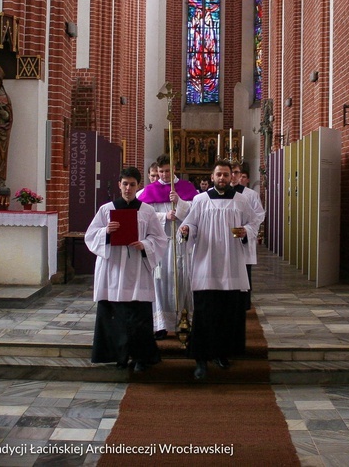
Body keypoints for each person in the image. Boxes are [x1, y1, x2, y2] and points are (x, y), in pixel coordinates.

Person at [84, 167, 168, 372]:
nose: (128, 188)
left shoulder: (147, 211)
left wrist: (145, 245)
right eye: (124, 184)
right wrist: (106, 231)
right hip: (113, 269)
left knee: (138, 317)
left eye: (132, 184)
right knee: (116, 317)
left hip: (137, 269)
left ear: (138, 186)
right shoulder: (106, 209)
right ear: (119, 184)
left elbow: (159, 239)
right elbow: (90, 236)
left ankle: (141, 358)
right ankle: (119, 356)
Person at [180, 160, 258, 379]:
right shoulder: (200, 200)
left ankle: (222, 354)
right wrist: (186, 230)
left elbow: (253, 224)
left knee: (227, 314)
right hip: (206, 263)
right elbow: (191, 225)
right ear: (212, 177)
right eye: (218, 175)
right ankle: (201, 359)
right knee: (204, 314)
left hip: (231, 264)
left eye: (225, 175)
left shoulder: (241, 201)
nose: (222, 178)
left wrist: (246, 232)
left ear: (230, 177)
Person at [138, 154, 199, 340]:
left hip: (180, 242)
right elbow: (144, 215)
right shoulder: (149, 191)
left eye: (167, 171)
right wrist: (165, 216)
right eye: (160, 171)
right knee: (160, 281)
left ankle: (184, 320)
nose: (164, 175)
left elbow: (195, 213)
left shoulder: (186, 188)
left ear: (174, 168)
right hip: (161, 242)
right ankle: (161, 324)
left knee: (182, 279)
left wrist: (179, 202)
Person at [231, 162, 266, 309]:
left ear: (241, 175)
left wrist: (246, 230)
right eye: (230, 172)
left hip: (243, 240)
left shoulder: (251, 195)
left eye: (236, 173)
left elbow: (259, 215)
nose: (233, 176)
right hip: (225, 242)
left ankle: (244, 303)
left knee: (244, 273)